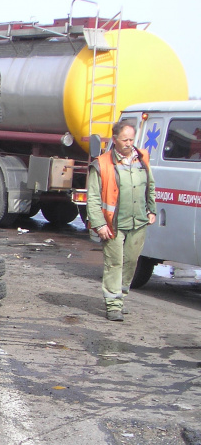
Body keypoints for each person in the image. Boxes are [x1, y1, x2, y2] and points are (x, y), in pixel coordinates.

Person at [86, 120, 157, 321]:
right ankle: (113, 305)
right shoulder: (101, 164)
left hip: (138, 222)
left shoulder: (142, 158)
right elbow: (93, 198)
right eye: (125, 140)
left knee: (131, 261)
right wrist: (99, 224)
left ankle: (121, 296)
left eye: (131, 140)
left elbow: (150, 185)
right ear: (115, 139)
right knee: (114, 263)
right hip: (113, 225)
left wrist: (151, 210)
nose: (129, 143)